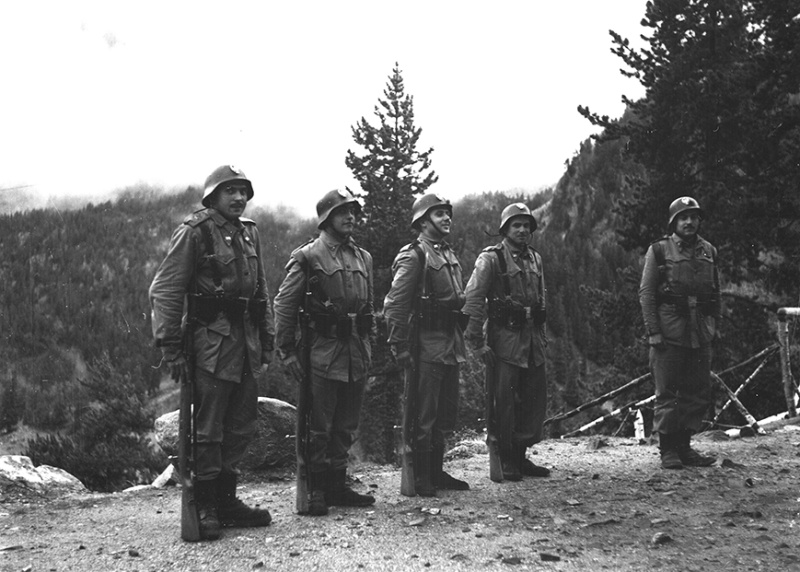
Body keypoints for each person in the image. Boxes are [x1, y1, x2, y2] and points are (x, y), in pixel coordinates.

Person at [149, 165, 275, 540]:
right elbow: (166, 290)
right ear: (213, 196)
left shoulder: (249, 233)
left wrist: (267, 339)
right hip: (210, 345)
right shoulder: (196, 232)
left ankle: (226, 501)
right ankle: (203, 503)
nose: (239, 198)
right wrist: (171, 347)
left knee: (240, 425)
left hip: (246, 344)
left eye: (243, 192)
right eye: (230, 191)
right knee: (209, 429)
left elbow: (262, 292)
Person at [273, 188, 376, 516]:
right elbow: (285, 304)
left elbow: (369, 306)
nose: (350, 218)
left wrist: (369, 343)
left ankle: (336, 484)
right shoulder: (308, 256)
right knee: (318, 424)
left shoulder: (364, 258)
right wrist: (286, 351)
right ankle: (315, 487)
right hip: (321, 352)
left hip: (355, 351)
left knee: (346, 423)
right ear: (326, 218)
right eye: (343, 212)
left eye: (353, 212)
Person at [384, 193, 470, 497]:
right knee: (423, 412)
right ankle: (420, 475)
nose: (446, 218)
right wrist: (400, 347)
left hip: (450, 343)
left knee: (444, 411)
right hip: (426, 345)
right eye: (439, 214)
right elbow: (394, 306)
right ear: (423, 221)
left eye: (448, 213)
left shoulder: (447, 253)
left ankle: (435, 470)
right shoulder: (414, 255)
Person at [463, 203, 550, 481]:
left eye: (526, 225)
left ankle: (521, 455)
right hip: (505, 342)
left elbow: (542, 298)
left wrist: (542, 335)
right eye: (516, 225)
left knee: (533, 401)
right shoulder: (491, 259)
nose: (523, 230)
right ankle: (505, 458)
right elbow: (474, 299)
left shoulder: (535, 259)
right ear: (505, 229)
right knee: (504, 402)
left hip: (533, 342)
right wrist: (476, 342)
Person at [639, 196, 720, 470]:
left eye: (694, 217)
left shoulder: (709, 251)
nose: (689, 222)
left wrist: (714, 327)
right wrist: (653, 332)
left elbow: (715, 293)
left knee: (696, 391)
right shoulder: (660, 251)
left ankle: (685, 448)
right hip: (670, 331)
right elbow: (647, 294)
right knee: (668, 392)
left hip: (701, 332)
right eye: (683, 217)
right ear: (674, 222)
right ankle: (667, 450)